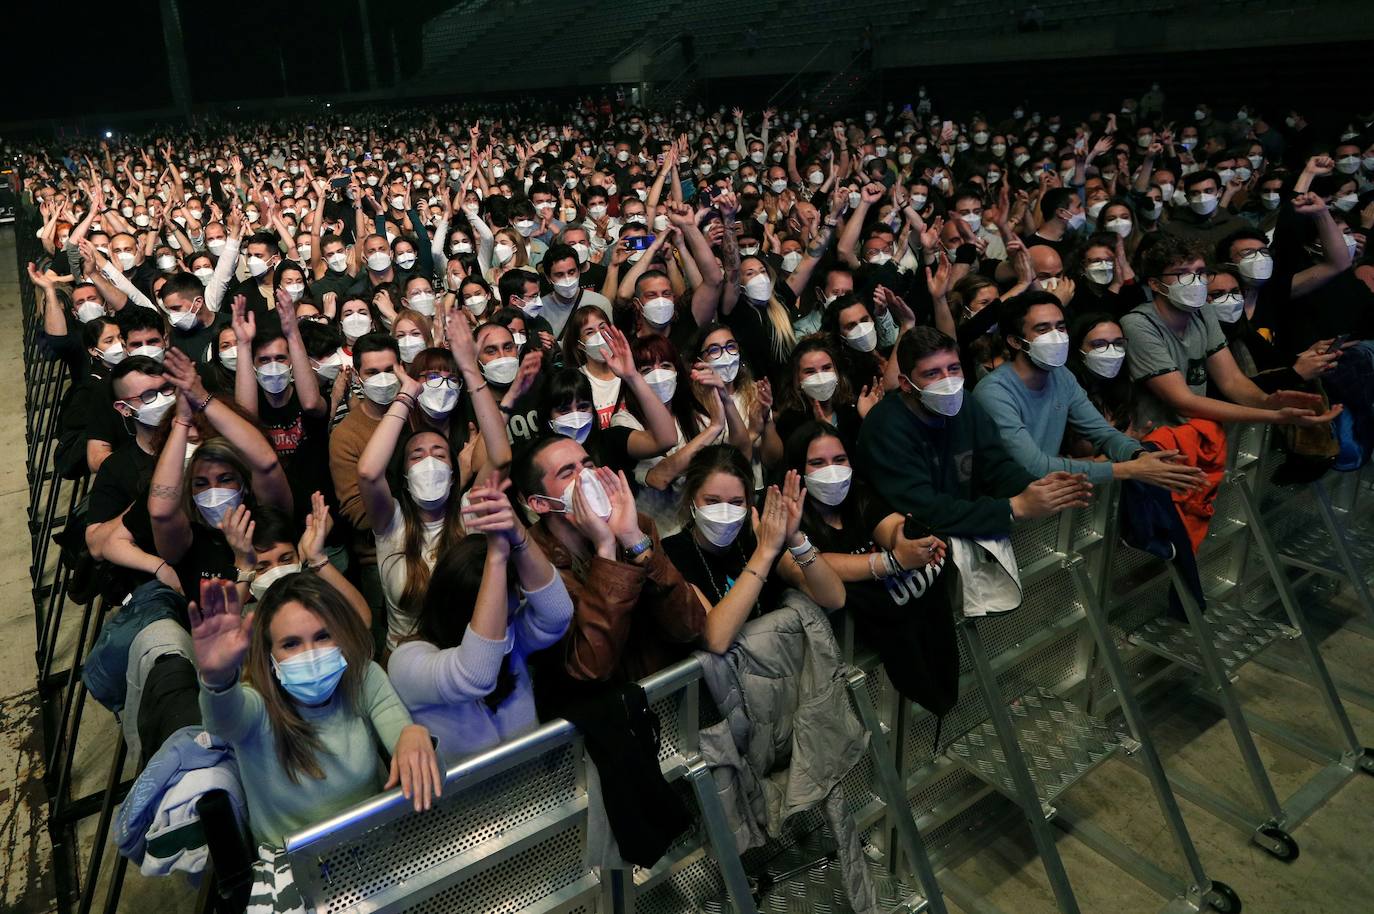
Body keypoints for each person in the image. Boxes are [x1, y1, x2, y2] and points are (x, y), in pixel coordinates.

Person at [191, 575, 441, 853]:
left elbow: (400, 735)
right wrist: (218, 679)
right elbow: (223, 721)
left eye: (323, 636)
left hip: (375, 846)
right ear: (268, 654)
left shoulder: (363, 676)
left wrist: (412, 733)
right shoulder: (257, 704)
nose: (309, 655)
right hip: (292, 864)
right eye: (291, 644)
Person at [387, 476, 573, 762]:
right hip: (471, 805)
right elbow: (474, 676)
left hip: (534, 792)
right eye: (502, 619)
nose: (508, 629)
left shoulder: (510, 641)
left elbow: (557, 615)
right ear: (460, 613)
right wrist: (496, 558)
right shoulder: (408, 660)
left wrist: (519, 538)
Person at [858, 327, 1092, 537]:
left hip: (968, 531)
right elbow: (924, 509)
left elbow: (996, 465)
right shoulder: (884, 426)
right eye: (932, 374)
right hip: (919, 547)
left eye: (953, 369)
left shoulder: (965, 404)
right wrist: (1014, 507)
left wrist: (1035, 488)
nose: (948, 382)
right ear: (906, 383)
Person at [511, 437, 703, 684]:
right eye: (568, 473)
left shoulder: (635, 527)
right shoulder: (533, 564)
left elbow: (690, 626)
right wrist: (605, 549)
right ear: (539, 503)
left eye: (588, 466)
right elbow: (591, 667)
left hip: (661, 689)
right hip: (606, 709)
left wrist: (632, 538)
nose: (586, 477)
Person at [974, 292, 1207, 490]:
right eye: (1042, 329)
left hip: (1049, 494)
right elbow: (1033, 466)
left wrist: (1140, 456)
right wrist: (1127, 469)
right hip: (1007, 504)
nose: (1056, 336)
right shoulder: (994, 392)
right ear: (1015, 341)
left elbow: (1102, 432)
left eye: (1061, 327)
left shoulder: (1061, 376)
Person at [661, 446, 846, 652]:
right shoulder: (672, 552)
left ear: (748, 504)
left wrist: (795, 539)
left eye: (736, 502)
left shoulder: (754, 535)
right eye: (712, 501)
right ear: (691, 500)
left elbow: (834, 597)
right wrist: (763, 555)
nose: (724, 512)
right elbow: (716, 639)